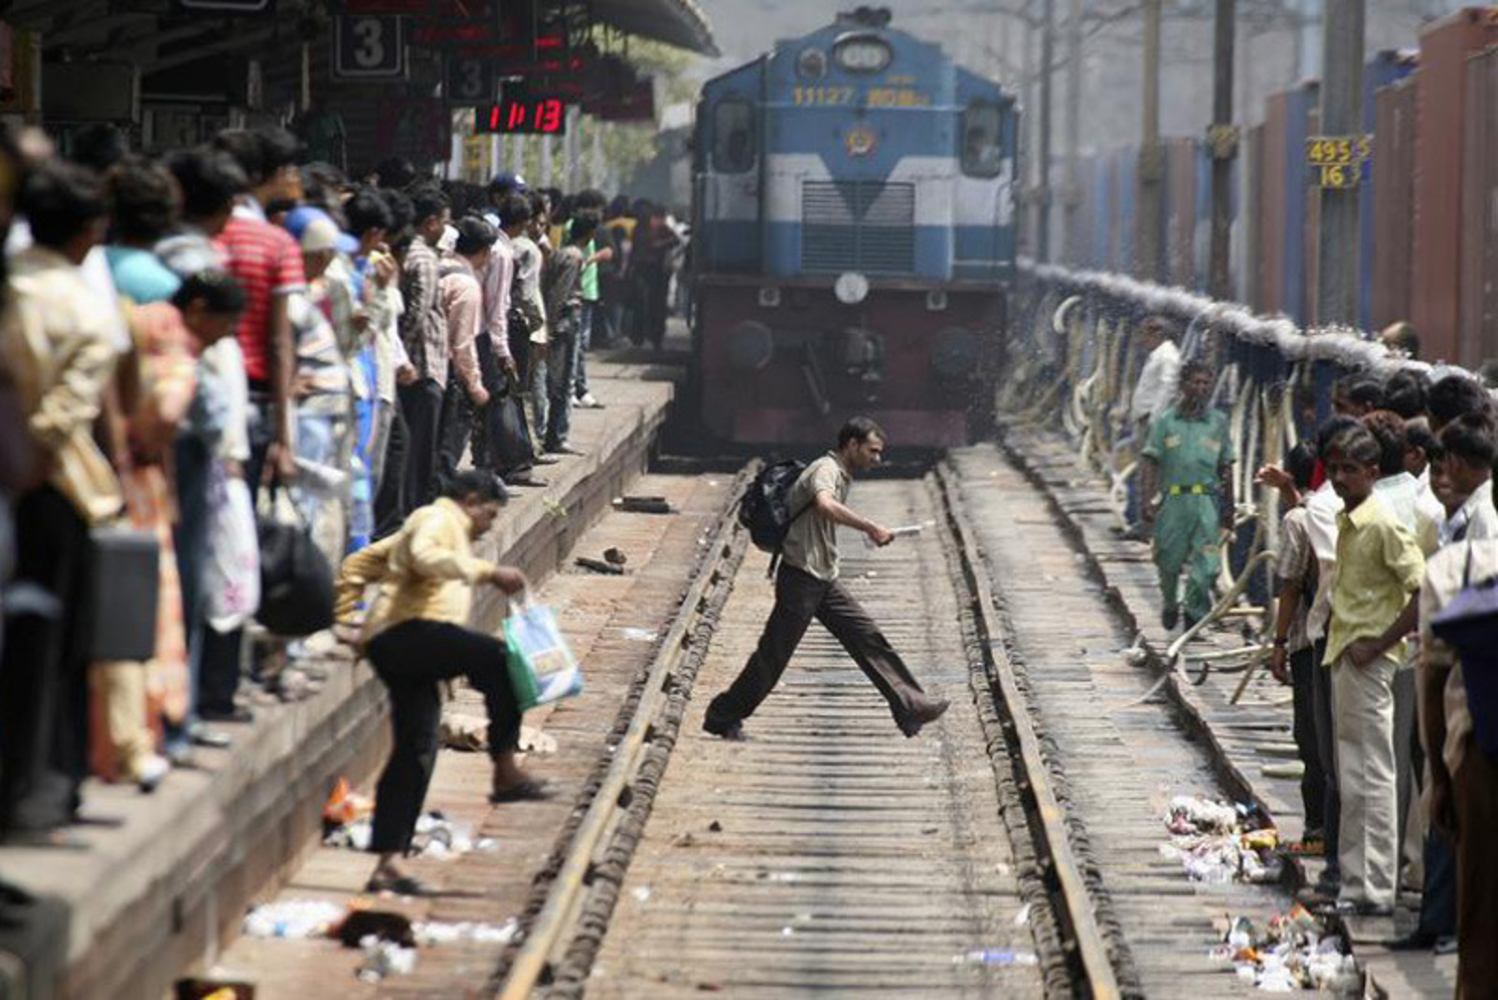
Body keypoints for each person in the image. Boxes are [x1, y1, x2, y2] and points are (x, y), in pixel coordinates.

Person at [332, 470, 545, 896]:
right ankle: (505, 769)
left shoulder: (431, 526)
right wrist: (487, 572)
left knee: (417, 748)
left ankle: (388, 864)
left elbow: (359, 564)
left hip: (404, 642)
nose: (490, 524)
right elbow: (425, 557)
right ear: (470, 500)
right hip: (407, 634)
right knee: (500, 660)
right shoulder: (436, 519)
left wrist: (345, 619)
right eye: (489, 513)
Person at [0, 161, 122, 842]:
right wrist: (33, 459)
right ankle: (45, 787)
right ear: (87, 232)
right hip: (57, 490)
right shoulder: (82, 304)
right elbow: (67, 413)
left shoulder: (12, 286)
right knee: (56, 649)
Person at [703, 417, 950, 741]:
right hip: (802, 577)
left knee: (867, 636)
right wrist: (870, 527)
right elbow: (824, 504)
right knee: (774, 654)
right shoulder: (826, 470)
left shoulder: (840, 472)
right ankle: (724, 714)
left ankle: (911, 706)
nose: (877, 459)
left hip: (821, 577)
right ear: (852, 445)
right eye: (872, 451)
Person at [1320, 424, 1425, 917]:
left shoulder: (1382, 524)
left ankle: (1376, 887)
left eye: (1349, 470)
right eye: (1335, 469)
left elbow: (1423, 588)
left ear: (1372, 472)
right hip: (1346, 654)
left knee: (1374, 774)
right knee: (1353, 773)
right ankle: (1356, 882)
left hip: (1370, 660)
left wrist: (1383, 642)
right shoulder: (1351, 519)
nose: (1339, 478)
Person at [1417, 467, 1498, 995]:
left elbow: (1432, 677)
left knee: (1483, 916)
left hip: (1480, 753)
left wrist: (1439, 777)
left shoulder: (1459, 565)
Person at [1138, 359, 1235, 631]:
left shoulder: (1218, 422)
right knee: (1168, 560)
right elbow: (1150, 461)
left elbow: (1226, 466)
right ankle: (1170, 602)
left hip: (1206, 501)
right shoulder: (1166, 421)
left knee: (1207, 565)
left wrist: (1229, 509)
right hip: (1173, 501)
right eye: (1195, 382)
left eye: (1206, 383)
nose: (1201, 388)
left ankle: (1194, 608)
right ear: (1183, 385)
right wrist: (1146, 500)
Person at [1267, 443, 1327, 856]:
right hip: (1340, 641)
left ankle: (1316, 831)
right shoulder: (1333, 509)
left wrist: (1277, 642)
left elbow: (1290, 586)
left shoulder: (1297, 519)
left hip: (1308, 640)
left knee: (1310, 737)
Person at [396, 186, 451, 512]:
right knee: (420, 447)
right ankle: (414, 510)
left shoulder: (406, 253)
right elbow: (416, 314)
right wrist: (402, 356)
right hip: (424, 365)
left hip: (414, 365)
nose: (446, 227)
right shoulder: (425, 259)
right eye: (444, 220)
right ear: (431, 222)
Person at [434, 216, 495, 488]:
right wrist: (475, 385)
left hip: (422, 368)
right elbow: (462, 343)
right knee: (446, 448)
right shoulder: (466, 286)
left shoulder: (437, 268)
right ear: (484, 252)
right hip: (447, 375)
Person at [540, 212, 596, 456]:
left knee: (559, 381)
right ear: (590, 233)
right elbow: (560, 294)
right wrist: (551, 328)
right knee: (563, 382)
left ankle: (552, 434)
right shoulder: (574, 257)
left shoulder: (561, 252)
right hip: (564, 325)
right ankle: (557, 436)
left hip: (560, 323)